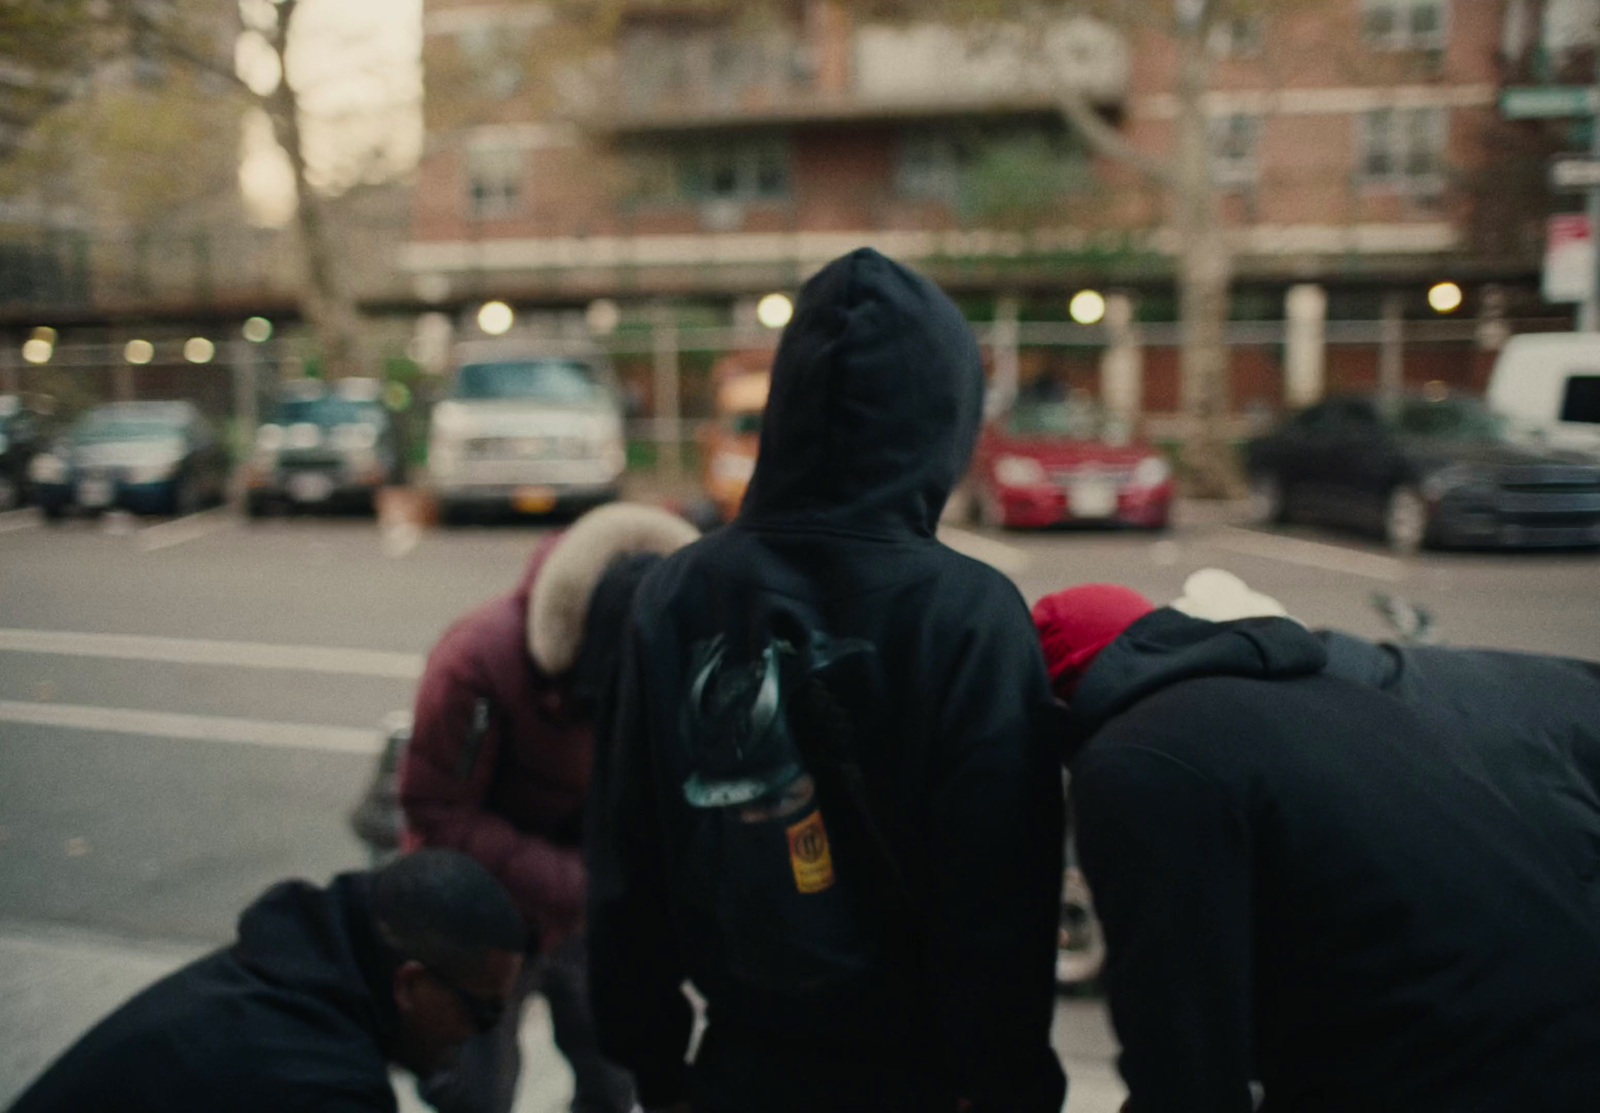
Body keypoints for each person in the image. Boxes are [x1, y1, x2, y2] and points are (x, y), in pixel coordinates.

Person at [587, 248, 1066, 1113]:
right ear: (943, 415)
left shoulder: (677, 593)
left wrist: (654, 1066)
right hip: (921, 1080)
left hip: (734, 1066)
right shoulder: (967, 615)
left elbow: (627, 859)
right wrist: (1010, 1087)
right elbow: (1001, 903)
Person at [1032, 583, 1600, 1113]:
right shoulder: (1331, 695)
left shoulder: (1138, 756)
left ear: (1058, 706)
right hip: (1556, 1029)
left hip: (1448, 1064)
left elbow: (1182, 1034)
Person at [401, 501, 700, 1113]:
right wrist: (585, 887)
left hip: (589, 916)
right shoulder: (479, 658)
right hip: (477, 913)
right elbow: (436, 811)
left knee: (615, 1080)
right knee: (475, 1095)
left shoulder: (677, 655)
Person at [7, 849, 526, 1113]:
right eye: (483, 1011)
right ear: (410, 985)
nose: (481, 1034)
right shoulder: (326, 1086)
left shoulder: (278, 971)